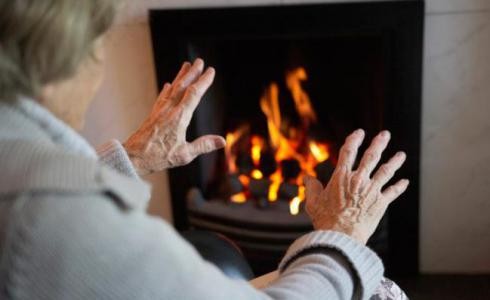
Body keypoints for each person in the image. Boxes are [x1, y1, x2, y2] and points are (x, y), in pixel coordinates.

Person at [0, 1, 409, 299]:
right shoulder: (52, 219)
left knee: (215, 250)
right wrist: (341, 235)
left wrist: (133, 158)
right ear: (52, 68)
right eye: (96, 47)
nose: (99, 66)